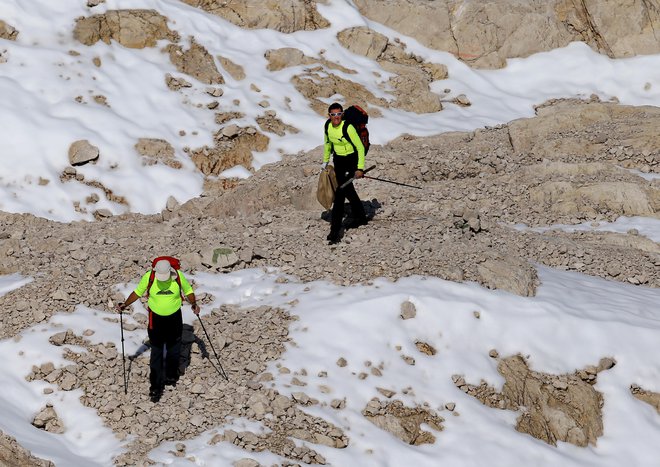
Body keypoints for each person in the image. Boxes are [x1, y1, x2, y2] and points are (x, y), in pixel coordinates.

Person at [117, 259, 200, 402]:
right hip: (155, 319)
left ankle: (171, 376)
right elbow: (137, 293)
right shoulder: (149, 277)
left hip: (174, 318)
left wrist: (194, 304)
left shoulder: (178, 276)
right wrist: (125, 305)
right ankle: (155, 387)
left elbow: (188, 291)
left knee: (174, 347)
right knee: (156, 352)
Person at [322, 102, 368, 244]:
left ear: (342, 114)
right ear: (329, 115)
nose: (336, 117)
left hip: (351, 159)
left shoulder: (348, 127)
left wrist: (359, 168)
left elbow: (360, 148)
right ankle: (361, 217)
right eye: (333, 114)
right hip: (339, 161)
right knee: (348, 189)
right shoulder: (327, 126)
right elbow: (328, 144)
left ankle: (335, 232)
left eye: (339, 114)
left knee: (340, 191)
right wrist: (325, 161)